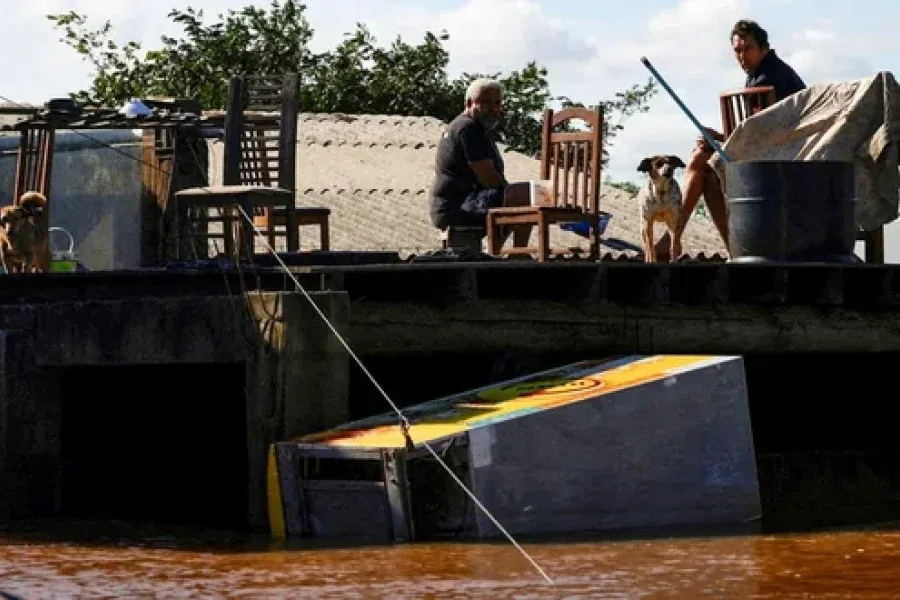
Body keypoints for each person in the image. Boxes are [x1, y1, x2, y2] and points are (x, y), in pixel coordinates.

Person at [674, 19, 807, 255]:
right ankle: (736, 250)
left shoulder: (768, 78)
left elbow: (759, 133)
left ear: (764, 48)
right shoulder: (760, 72)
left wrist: (720, 137)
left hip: (783, 161)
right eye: (737, 50)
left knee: (699, 160)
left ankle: (674, 240)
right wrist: (721, 138)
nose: (742, 56)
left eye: (748, 49)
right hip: (767, 153)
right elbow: (753, 131)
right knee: (707, 171)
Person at [429, 78, 530, 243]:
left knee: (519, 195)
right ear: (469, 103)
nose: (493, 108)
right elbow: (488, 177)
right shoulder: (468, 128)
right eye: (486, 102)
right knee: (525, 193)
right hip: (459, 207)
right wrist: (514, 195)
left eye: (497, 103)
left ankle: (504, 251)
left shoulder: (474, 127)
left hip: (457, 204)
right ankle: (516, 252)